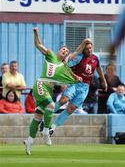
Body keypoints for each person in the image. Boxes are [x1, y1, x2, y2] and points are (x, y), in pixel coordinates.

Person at [24, 27, 82, 155]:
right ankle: (46, 131)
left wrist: (76, 78)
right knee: (51, 105)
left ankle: (29, 140)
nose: (65, 51)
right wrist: (36, 34)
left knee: (38, 115)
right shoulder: (50, 55)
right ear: (59, 50)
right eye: (63, 49)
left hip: (49, 89)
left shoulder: (64, 66)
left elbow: (72, 71)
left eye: (67, 51)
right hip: (40, 84)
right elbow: (38, 44)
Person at [50, 38, 107, 135]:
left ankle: (53, 127)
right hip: (74, 83)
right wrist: (74, 76)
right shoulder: (78, 57)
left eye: (90, 48)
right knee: (63, 100)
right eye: (87, 49)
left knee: (71, 109)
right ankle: (45, 117)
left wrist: (104, 81)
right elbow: (66, 66)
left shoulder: (95, 58)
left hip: (85, 87)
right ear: (83, 50)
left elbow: (98, 68)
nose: (89, 50)